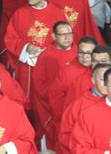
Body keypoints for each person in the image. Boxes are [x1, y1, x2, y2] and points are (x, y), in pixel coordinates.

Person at [5, 0, 66, 95]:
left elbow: (65, 41)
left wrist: (47, 52)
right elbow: (10, 38)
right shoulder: (20, 14)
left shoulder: (58, 14)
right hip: (26, 68)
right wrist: (26, 47)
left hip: (48, 66)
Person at [31, 21, 78, 149]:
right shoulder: (46, 55)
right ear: (53, 36)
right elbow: (38, 83)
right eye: (62, 34)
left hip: (77, 105)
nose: (67, 37)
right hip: (53, 105)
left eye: (69, 33)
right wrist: (55, 99)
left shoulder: (81, 54)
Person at [57, 63, 111, 153]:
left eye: (110, 80)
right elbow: (66, 135)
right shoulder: (79, 105)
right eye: (102, 79)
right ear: (93, 80)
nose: (107, 83)